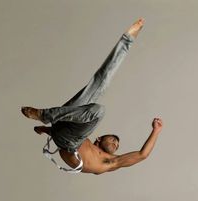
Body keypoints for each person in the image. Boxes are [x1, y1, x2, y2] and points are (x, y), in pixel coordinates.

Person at [21, 18, 163, 175]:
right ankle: (127, 40)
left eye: (116, 144)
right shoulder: (87, 139)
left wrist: (156, 131)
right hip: (63, 125)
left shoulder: (110, 162)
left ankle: (45, 115)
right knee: (100, 82)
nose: (116, 143)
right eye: (114, 140)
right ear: (99, 139)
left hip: (69, 143)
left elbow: (142, 155)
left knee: (99, 111)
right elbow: (69, 131)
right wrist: (47, 131)